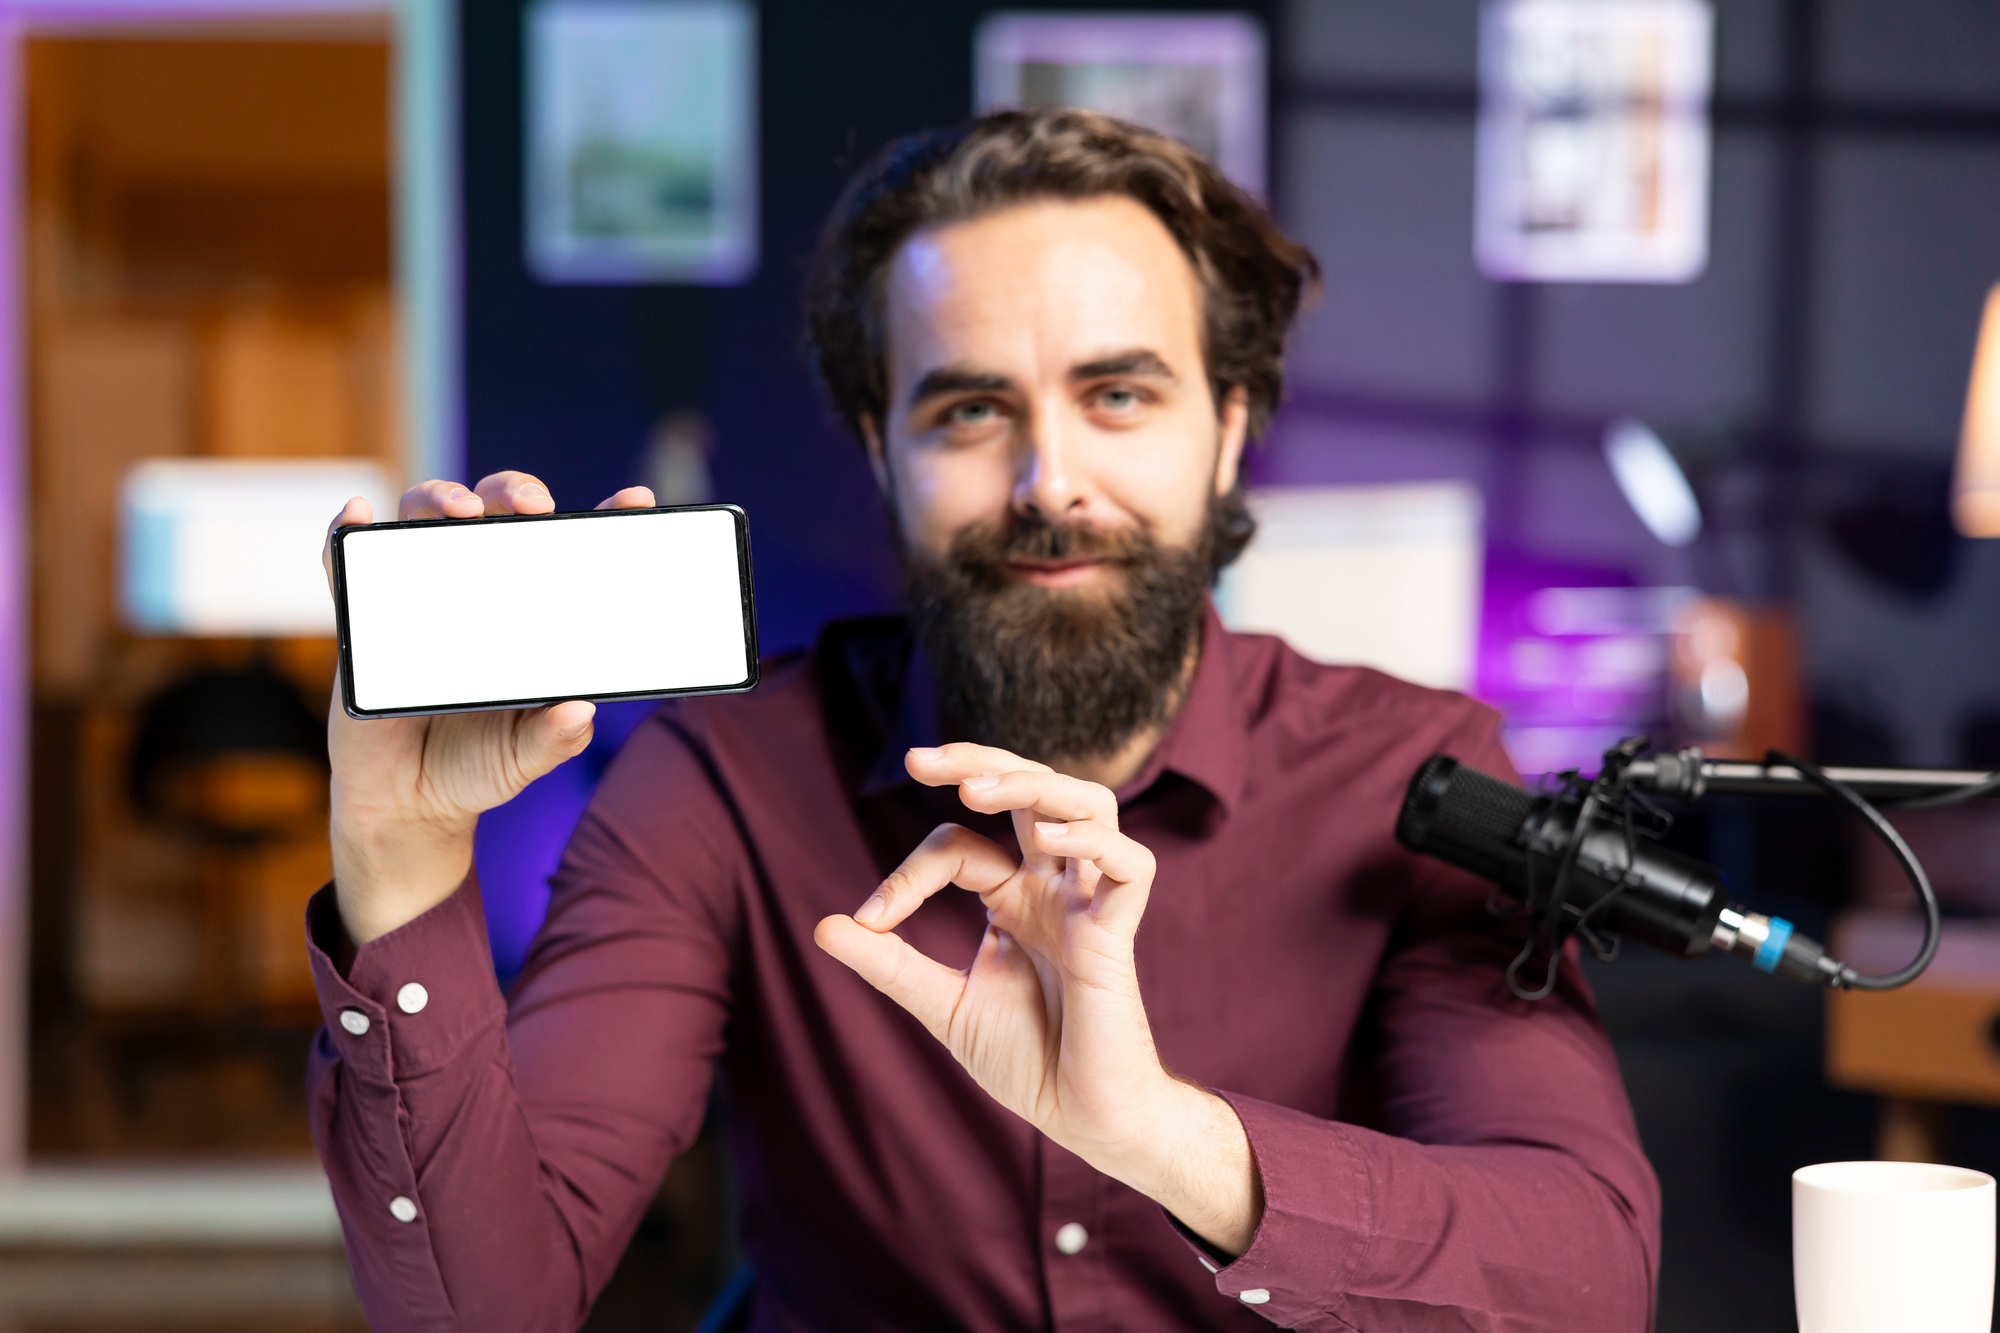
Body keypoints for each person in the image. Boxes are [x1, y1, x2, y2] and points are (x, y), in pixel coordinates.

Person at [309, 109, 1659, 1332]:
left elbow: (1584, 1278)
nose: (1048, 479)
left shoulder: (1413, 777)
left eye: (1118, 394)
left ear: (1231, 429)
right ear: (877, 444)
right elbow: (478, 1310)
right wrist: (403, 861)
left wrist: (1165, 1136)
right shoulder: (719, 786)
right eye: (968, 409)